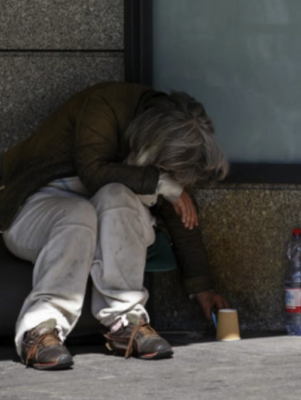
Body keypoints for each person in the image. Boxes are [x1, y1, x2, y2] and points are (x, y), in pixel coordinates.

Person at [0, 82, 230, 370]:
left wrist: (202, 286)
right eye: (165, 172)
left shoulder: (171, 136)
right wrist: (160, 182)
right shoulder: (104, 106)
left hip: (102, 214)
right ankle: (39, 330)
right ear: (151, 145)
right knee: (79, 213)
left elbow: (181, 212)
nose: (169, 180)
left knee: (117, 195)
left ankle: (126, 322)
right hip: (34, 208)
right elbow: (93, 170)